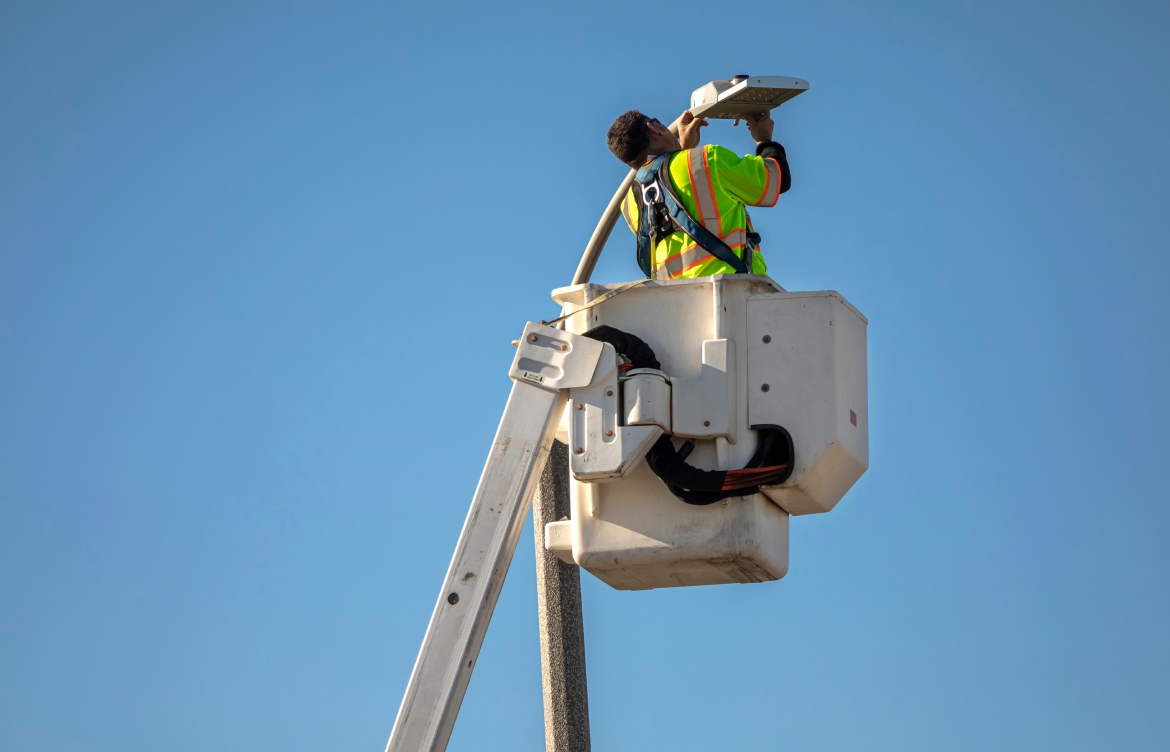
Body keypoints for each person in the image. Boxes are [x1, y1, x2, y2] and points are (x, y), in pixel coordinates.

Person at [606, 109, 791, 280]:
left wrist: (683, 150)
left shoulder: (630, 204)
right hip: (734, 292)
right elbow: (776, 180)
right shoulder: (706, 160)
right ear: (653, 128)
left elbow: (674, 195)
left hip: (681, 304)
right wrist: (764, 139)